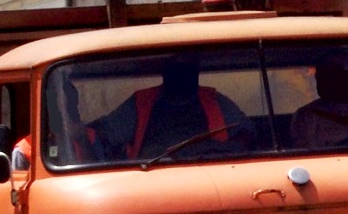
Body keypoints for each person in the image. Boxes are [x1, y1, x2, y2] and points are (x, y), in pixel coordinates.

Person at [93, 58, 249, 160]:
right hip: (152, 179)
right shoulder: (141, 103)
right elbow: (103, 133)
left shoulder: (214, 100)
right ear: (164, 72)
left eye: (187, 67)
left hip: (211, 177)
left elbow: (247, 136)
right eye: (176, 68)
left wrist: (214, 150)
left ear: (196, 70)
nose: (182, 74)